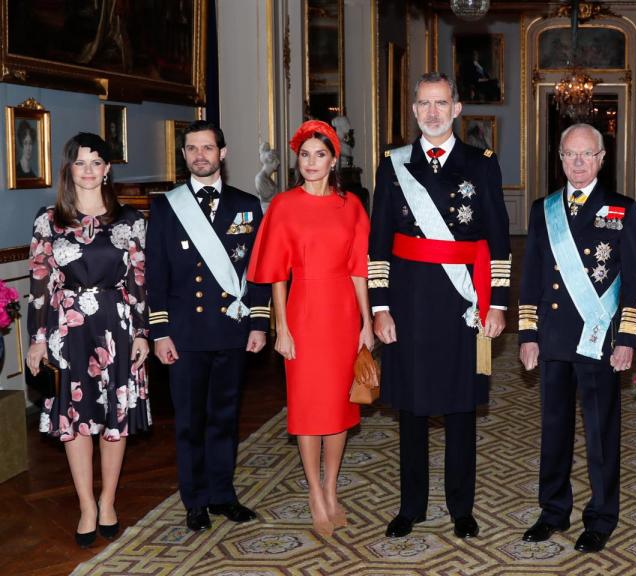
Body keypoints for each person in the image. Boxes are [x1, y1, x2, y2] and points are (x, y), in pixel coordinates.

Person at [369, 72, 510, 539]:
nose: (432, 112)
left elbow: (498, 239)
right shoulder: (393, 165)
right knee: (409, 407)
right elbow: (378, 244)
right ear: (413, 110)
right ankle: (411, 506)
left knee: (459, 408)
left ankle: (461, 507)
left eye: (441, 103)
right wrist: (380, 306)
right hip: (407, 302)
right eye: (424, 103)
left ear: (457, 108)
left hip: (461, 301)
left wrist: (498, 304)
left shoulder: (482, 163)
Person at [518, 123, 636, 553]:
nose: (577, 162)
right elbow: (532, 275)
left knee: (601, 434)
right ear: (559, 157)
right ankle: (553, 511)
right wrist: (528, 334)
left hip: (599, 341)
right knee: (553, 432)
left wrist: (627, 338)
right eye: (570, 154)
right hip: (553, 340)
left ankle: (602, 516)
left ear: (602, 159)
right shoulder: (543, 209)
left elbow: (635, 283)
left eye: (586, 154)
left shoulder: (623, 209)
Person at [248, 120, 374, 537]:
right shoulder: (284, 205)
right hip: (302, 311)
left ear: (333, 159)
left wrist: (367, 322)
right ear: (297, 159)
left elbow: (359, 268)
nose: (312, 162)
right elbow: (277, 273)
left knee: (339, 408)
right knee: (306, 408)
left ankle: (332, 489)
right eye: (305, 155)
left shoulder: (351, 205)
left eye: (320, 154)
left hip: (342, 313)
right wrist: (281, 326)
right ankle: (315, 495)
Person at [146, 120, 271, 532]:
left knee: (225, 416)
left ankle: (223, 494)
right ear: (183, 155)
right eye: (191, 148)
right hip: (184, 334)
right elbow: (156, 275)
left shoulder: (247, 204)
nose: (200, 155)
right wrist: (160, 332)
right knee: (189, 422)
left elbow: (257, 271)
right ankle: (195, 499)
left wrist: (258, 322)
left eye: (207, 148)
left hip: (231, 330)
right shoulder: (166, 207)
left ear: (223, 153)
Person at [26, 132, 149, 547]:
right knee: (74, 421)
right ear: (69, 169)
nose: (90, 170)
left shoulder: (131, 221)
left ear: (108, 168)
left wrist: (143, 332)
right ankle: (86, 505)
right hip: (67, 330)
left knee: (115, 419)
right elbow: (40, 284)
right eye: (81, 162)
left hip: (117, 328)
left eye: (97, 162)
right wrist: (37, 339)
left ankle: (109, 499)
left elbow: (140, 282)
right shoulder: (48, 220)